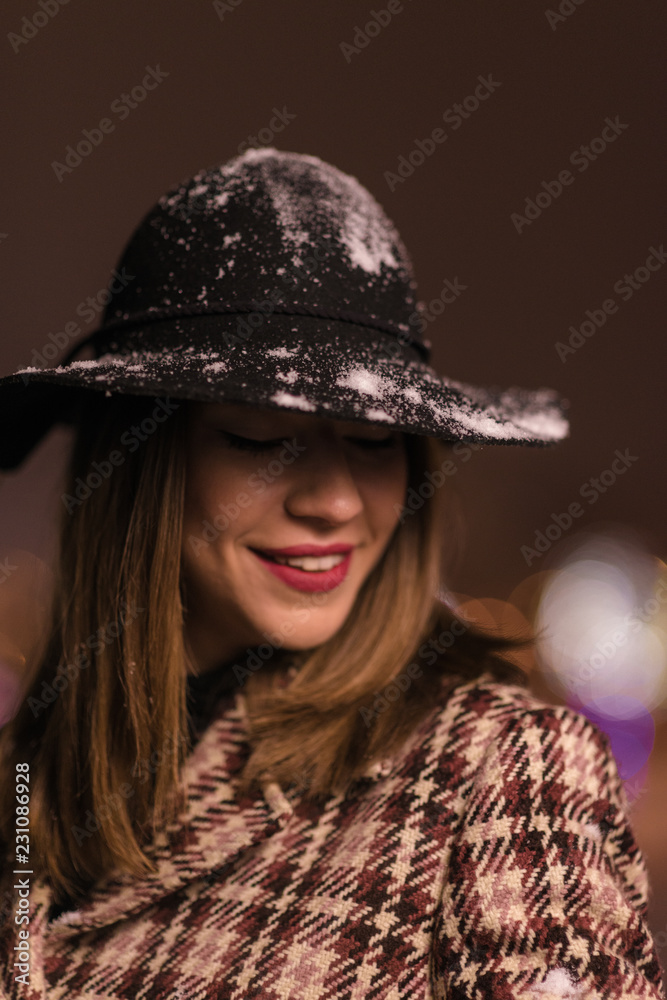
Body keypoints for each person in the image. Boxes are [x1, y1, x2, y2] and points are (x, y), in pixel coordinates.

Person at [0, 148, 663, 999]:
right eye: (262, 437)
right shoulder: (26, 775)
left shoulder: (501, 766)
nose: (336, 501)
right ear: (137, 461)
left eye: (373, 442)